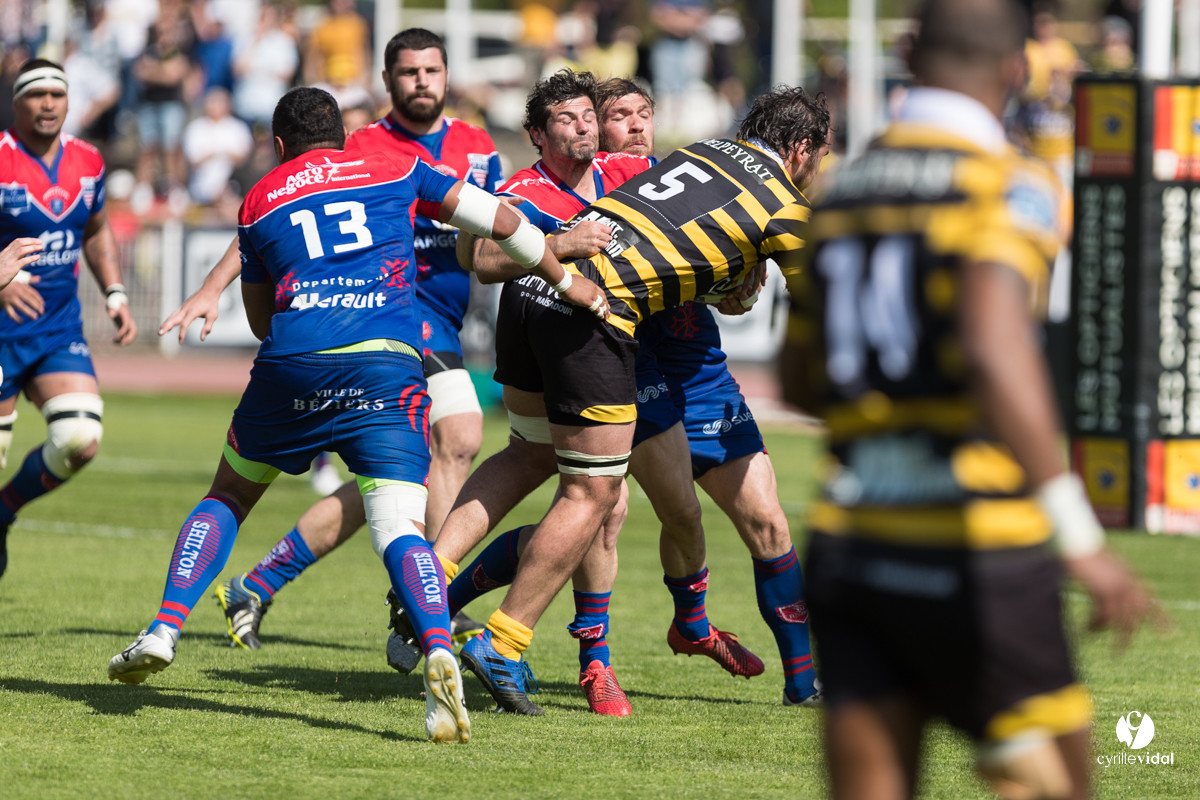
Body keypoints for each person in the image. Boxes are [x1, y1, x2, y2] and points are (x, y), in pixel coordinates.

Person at [107, 86, 606, 746]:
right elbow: (504, 222)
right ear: (343, 135)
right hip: (388, 364)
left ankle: (165, 628)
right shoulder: (396, 165)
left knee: (229, 494)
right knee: (400, 526)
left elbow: (260, 320)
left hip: (296, 360)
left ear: (279, 146)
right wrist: (567, 279)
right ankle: (438, 648)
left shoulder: (262, 197)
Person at [784, 1, 1158, 796]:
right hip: (976, 543)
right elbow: (994, 348)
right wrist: (1079, 536)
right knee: (1054, 781)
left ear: (908, 55)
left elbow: (798, 379)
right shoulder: (1009, 185)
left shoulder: (841, 193)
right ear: (1016, 70)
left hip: (853, 540)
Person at [449, 79, 830, 715]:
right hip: (605, 327)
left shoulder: (690, 157)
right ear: (801, 149)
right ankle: (516, 638)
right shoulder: (771, 200)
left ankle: (792, 677)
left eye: (642, 113)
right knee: (597, 501)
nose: (634, 126)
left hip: (658, 347)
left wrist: (734, 278)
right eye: (616, 115)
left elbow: (703, 255)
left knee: (725, 514)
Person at [159, 29, 504, 650]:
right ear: (387, 79)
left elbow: (483, 235)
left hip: (443, 319)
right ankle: (430, 604)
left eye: (431, 70)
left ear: (448, 74)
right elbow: (269, 223)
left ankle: (259, 583)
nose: (421, 81)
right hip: (393, 316)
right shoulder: (361, 144)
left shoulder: (478, 146)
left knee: (387, 482)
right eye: (408, 72)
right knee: (460, 436)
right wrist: (212, 285)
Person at [0, 59, 137, 582]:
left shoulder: (88, 160)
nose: (48, 103)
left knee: (80, 438)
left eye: (57, 94)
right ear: (17, 103)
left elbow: (96, 231)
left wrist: (115, 292)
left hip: (57, 329)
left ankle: (3, 510)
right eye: (37, 94)